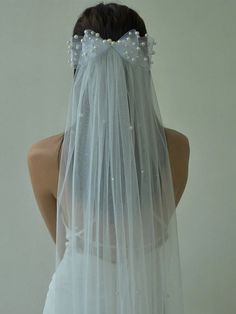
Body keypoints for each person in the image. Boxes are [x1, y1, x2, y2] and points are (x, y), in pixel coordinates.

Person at [27, 2, 190, 314]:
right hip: (147, 295)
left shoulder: (43, 157)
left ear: (78, 69)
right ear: (144, 66)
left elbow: (61, 240)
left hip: (75, 295)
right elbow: (156, 223)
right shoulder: (176, 148)